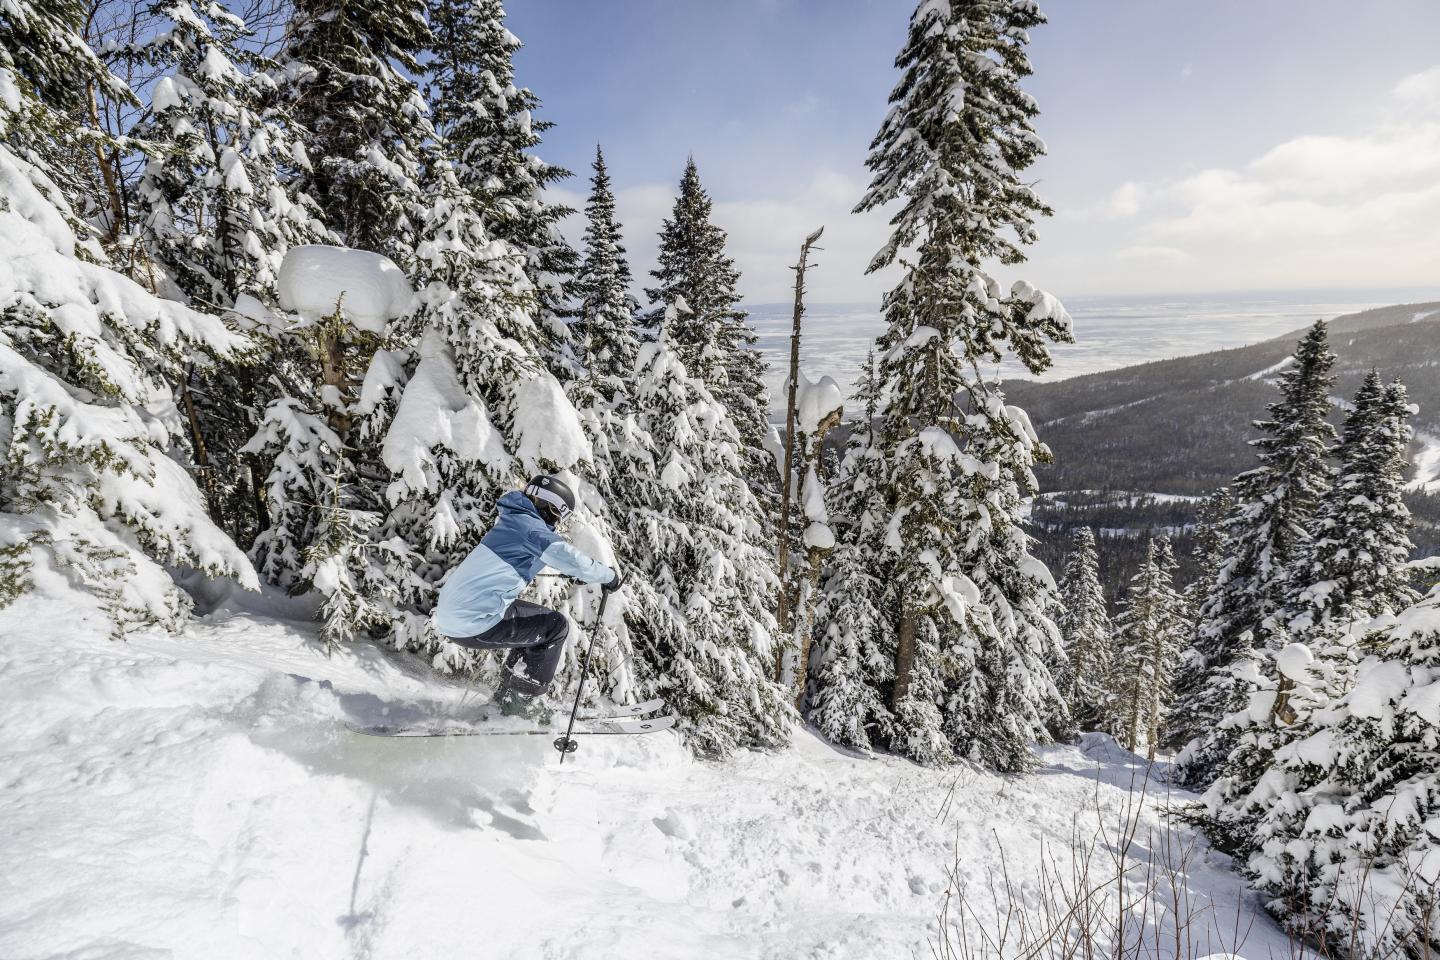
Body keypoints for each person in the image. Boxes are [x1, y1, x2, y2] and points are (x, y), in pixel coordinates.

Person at [434, 475, 623, 719]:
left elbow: (529, 558)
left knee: (533, 627)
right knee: (555, 627)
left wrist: (577, 573)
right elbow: (567, 556)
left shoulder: (515, 520)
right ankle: (521, 703)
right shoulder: (530, 528)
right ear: (546, 505)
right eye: (557, 514)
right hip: (474, 621)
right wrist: (608, 575)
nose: (556, 523)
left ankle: (508, 696)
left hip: (455, 616)